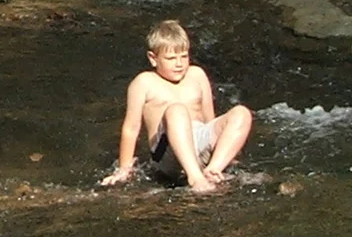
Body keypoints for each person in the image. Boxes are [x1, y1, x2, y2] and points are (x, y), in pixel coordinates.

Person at [99, 19, 253, 194]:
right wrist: (124, 168)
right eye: (171, 58)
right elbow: (131, 128)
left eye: (184, 56)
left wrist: (225, 152)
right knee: (177, 110)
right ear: (153, 58)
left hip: (198, 141)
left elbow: (210, 119)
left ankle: (213, 169)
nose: (179, 64)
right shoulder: (144, 82)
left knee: (241, 113)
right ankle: (196, 177)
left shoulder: (197, 75)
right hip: (166, 151)